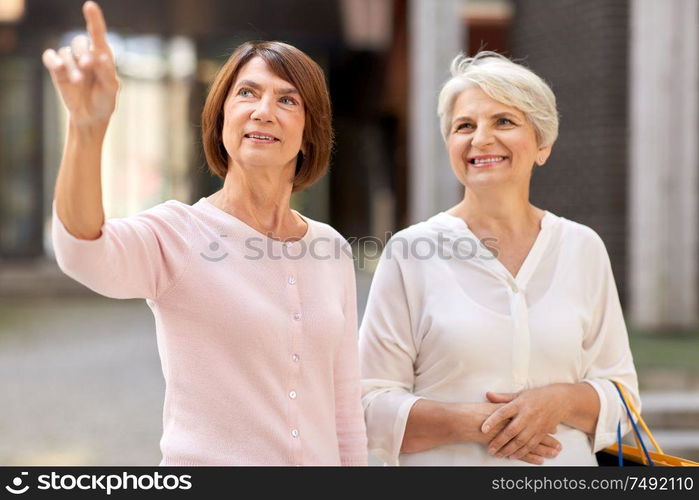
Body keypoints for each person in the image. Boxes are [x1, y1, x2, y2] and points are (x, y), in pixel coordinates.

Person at [43, 1, 367, 466]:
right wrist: (87, 129)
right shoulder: (178, 234)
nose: (263, 111)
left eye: (287, 99)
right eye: (247, 93)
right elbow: (82, 253)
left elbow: (344, 410)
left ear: (309, 131)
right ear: (220, 119)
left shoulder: (331, 248)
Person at [359, 51, 640, 466]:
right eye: (465, 126)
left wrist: (559, 401)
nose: (481, 139)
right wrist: (477, 422)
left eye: (503, 122)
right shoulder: (409, 252)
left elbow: (623, 396)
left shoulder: (583, 247)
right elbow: (368, 402)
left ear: (542, 144)